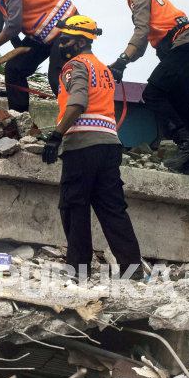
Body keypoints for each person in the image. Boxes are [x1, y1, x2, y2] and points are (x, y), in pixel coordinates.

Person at [42, 15, 143, 281]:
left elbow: (78, 102)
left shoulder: (74, 66)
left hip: (82, 145)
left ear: (80, 41)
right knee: (112, 209)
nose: (60, 45)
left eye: (65, 40)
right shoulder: (104, 69)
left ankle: (78, 271)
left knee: (74, 206)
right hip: (109, 146)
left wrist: (56, 136)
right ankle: (132, 270)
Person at [98, 0, 189, 172]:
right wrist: (120, 63)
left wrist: (122, 60)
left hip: (184, 49)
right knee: (178, 106)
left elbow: (140, 33)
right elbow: (142, 47)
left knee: (153, 94)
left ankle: (188, 146)